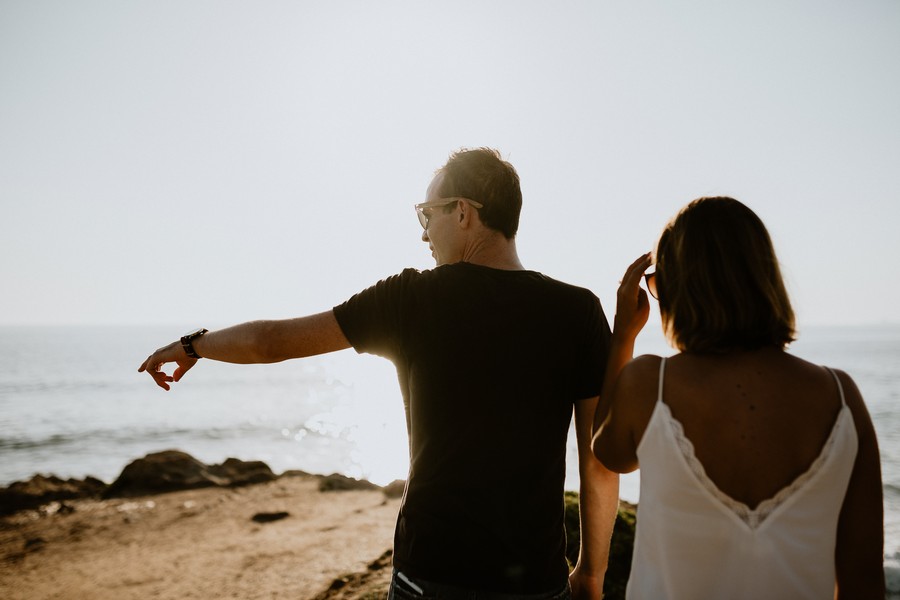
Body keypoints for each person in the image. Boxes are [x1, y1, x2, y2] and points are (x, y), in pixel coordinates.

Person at [140, 148, 619, 599]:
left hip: (432, 574)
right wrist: (591, 575)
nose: (423, 232)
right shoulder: (577, 311)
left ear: (463, 212)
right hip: (535, 581)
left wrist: (193, 346)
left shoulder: (410, 299)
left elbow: (273, 342)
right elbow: (598, 459)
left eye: (426, 214)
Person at [591, 197, 885, 599]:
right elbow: (864, 581)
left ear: (679, 286)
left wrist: (623, 335)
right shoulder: (842, 397)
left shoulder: (648, 384)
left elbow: (607, 453)